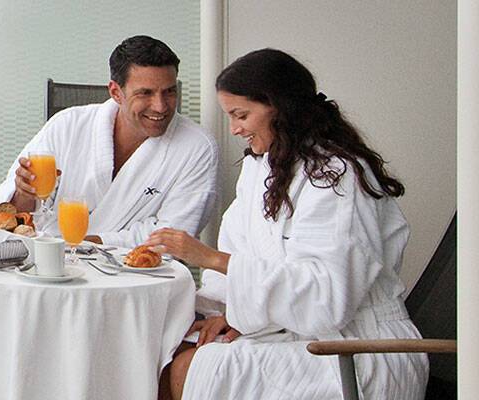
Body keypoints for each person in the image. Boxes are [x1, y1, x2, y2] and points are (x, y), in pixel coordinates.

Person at [148, 48, 426, 400]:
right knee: (164, 355)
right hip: (300, 336)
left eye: (241, 115)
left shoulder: (336, 175)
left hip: (359, 351)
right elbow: (242, 245)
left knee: (195, 369)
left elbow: (327, 297)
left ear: (279, 107)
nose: (234, 129)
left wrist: (210, 259)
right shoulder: (260, 169)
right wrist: (230, 312)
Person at [0, 35, 219, 248]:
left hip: (132, 274)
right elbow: (15, 218)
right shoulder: (67, 125)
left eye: (169, 92)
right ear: (115, 92)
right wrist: (25, 192)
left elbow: (175, 237)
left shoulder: (198, 147)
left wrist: (78, 245)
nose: (160, 106)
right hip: (50, 261)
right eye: (145, 93)